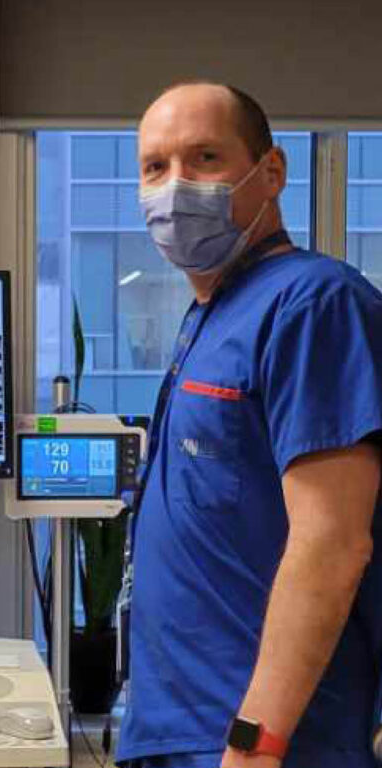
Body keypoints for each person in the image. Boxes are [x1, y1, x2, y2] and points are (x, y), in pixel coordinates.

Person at [117, 81, 382, 768]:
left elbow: (334, 543)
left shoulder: (313, 304)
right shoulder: (211, 315)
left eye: (204, 158)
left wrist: (256, 744)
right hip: (183, 731)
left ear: (271, 173)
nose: (176, 187)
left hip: (267, 746)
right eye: (155, 167)